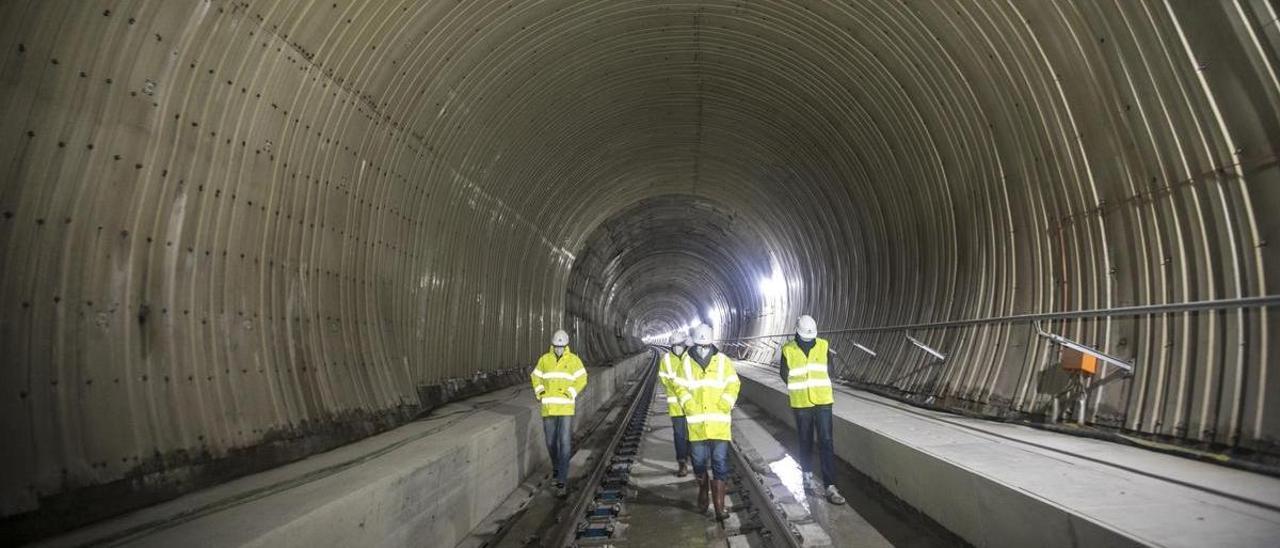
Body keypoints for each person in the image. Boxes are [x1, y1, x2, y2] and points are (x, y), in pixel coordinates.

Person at [675, 324, 740, 521]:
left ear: (712, 342)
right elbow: (679, 387)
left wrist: (725, 403)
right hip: (697, 424)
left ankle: (719, 506)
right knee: (699, 462)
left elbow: (734, 383)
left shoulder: (723, 362)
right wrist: (689, 405)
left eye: (706, 344)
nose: (703, 347)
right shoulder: (685, 363)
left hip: (719, 423)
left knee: (720, 462)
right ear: (694, 343)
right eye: (700, 344)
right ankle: (703, 489)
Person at [779, 315, 846, 504]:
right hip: (801, 403)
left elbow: (830, 371)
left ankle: (830, 486)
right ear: (797, 333)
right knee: (805, 440)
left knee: (826, 441)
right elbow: (784, 374)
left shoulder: (823, 346)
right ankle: (807, 476)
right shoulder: (788, 350)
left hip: (823, 401)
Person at [531, 329, 588, 497]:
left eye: (561, 347)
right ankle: (556, 467)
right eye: (556, 346)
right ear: (552, 345)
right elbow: (535, 377)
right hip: (548, 408)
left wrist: (571, 392)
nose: (559, 349)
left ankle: (561, 480)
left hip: (565, 409)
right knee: (550, 442)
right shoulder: (544, 360)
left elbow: (582, 378)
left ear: (566, 346)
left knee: (564, 443)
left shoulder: (574, 361)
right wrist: (540, 392)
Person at [659, 331, 693, 476]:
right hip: (676, 406)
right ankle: (682, 463)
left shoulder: (692, 358)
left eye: (679, 345)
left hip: (692, 405)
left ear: (684, 344)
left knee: (694, 434)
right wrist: (679, 390)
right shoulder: (666, 359)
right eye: (674, 345)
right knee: (679, 435)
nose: (677, 347)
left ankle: (695, 459)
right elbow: (663, 379)